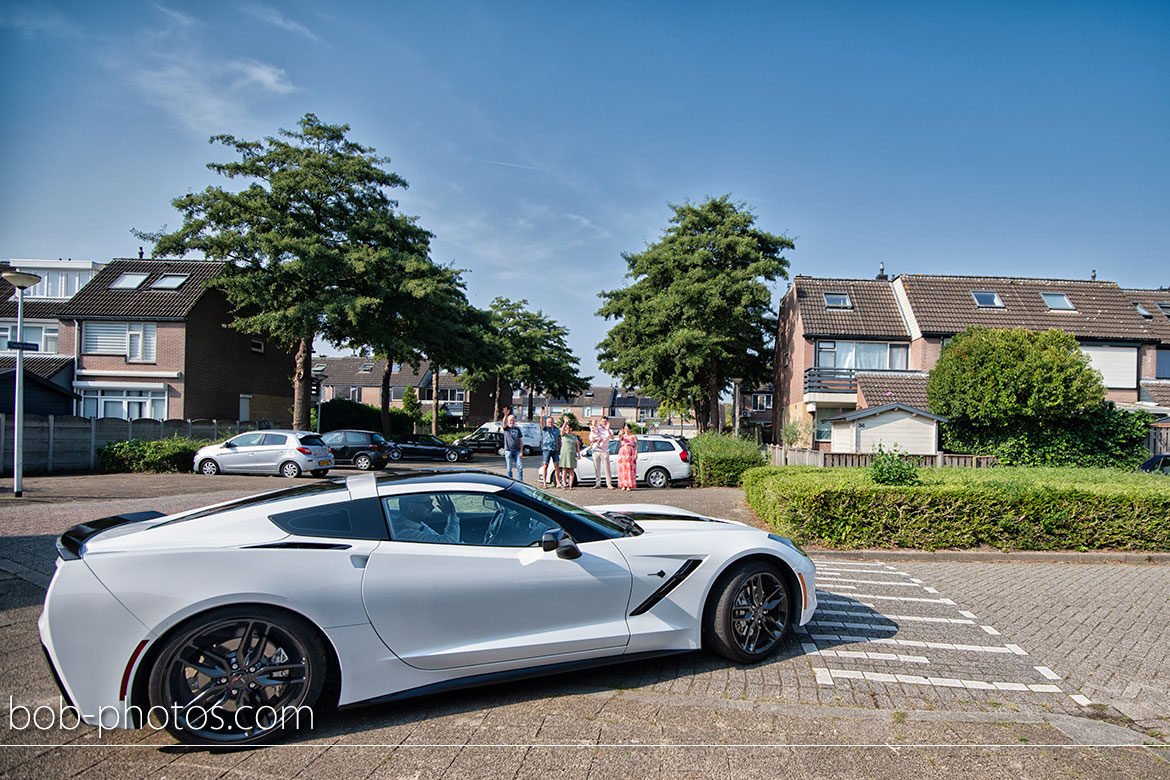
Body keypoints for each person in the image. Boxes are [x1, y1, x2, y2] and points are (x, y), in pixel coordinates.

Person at [393, 494, 461, 543]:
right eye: (427, 503)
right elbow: (450, 543)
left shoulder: (417, 524)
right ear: (411, 507)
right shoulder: (406, 534)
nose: (432, 507)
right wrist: (452, 515)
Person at [589, 416, 614, 489]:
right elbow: (591, 438)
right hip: (596, 450)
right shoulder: (597, 428)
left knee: (607, 468)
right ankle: (598, 483)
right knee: (597, 468)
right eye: (603, 421)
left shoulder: (609, 430)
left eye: (605, 421)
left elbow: (612, 437)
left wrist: (607, 429)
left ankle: (609, 484)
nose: (604, 423)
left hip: (604, 451)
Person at [500, 410, 524, 482]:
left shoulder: (517, 429)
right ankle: (510, 480)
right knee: (509, 467)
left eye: (513, 420)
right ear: (508, 421)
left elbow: (520, 440)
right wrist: (505, 416)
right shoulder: (506, 428)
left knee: (519, 466)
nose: (512, 422)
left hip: (517, 451)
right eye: (510, 420)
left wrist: (521, 451)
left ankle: (520, 481)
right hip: (508, 450)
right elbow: (503, 424)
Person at [539, 416, 561, 487]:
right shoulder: (545, 428)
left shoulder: (557, 429)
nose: (550, 423)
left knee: (557, 466)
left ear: (553, 422)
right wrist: (542, 417)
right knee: (545, 465)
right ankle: (545, 482)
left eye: (551, 422)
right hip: (546, 449)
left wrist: (560, 448)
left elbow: (558, 439)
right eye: (548, 422)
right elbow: (542, 424)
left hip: (555, 449)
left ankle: (558, 482)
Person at [558, 418, 579, 490]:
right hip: (564, 454)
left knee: (571, 470)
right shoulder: (564, 435)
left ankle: (570, 485)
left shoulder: (574, 436)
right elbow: (561, 431)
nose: (569, 430)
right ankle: (564, 484)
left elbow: (577, 445)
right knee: (564, 470)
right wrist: (565, 423)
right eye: (567, 428)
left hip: (572, 454)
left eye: (570, 428)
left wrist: (578, 454)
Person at [617, 424, 638, 491]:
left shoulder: (633, 436)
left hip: (630, 454)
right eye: (625, 429)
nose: (626, 430)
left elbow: (636, 446)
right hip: (623, 454)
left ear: (630, 429)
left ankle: (629, 485)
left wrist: (636, 454)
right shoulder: (623, 436)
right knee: (623, 469)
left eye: (627, 429)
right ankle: (623, 484)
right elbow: (620, 438)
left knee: (629, 469)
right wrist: (620, 434)